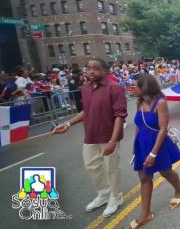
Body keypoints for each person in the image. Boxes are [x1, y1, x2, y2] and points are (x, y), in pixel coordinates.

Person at [52, 58, 127, 217]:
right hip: (91, 135)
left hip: (108, 136)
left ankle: (116, 197)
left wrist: (113, 141)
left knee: (111, 168)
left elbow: (120, 116)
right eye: (88, 68)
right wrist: (68, 124)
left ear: (105, 71)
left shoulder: (115, 88)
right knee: (92, 166)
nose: (91, 71)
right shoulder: (85, 88)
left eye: (96, 68)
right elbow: (86, 111)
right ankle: (104, 193)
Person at [128, 74, 180, 229]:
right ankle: (145, 214)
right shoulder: (139, 103)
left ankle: (178, 191)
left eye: (135, 86)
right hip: (142, 144)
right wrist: (135, 147)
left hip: (158, 145)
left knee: (166, 172)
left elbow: (163, 129)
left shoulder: (160, 103)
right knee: (145, 178)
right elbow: (138, 126)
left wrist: (152, 154)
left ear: (144, 87)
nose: (132, 89)